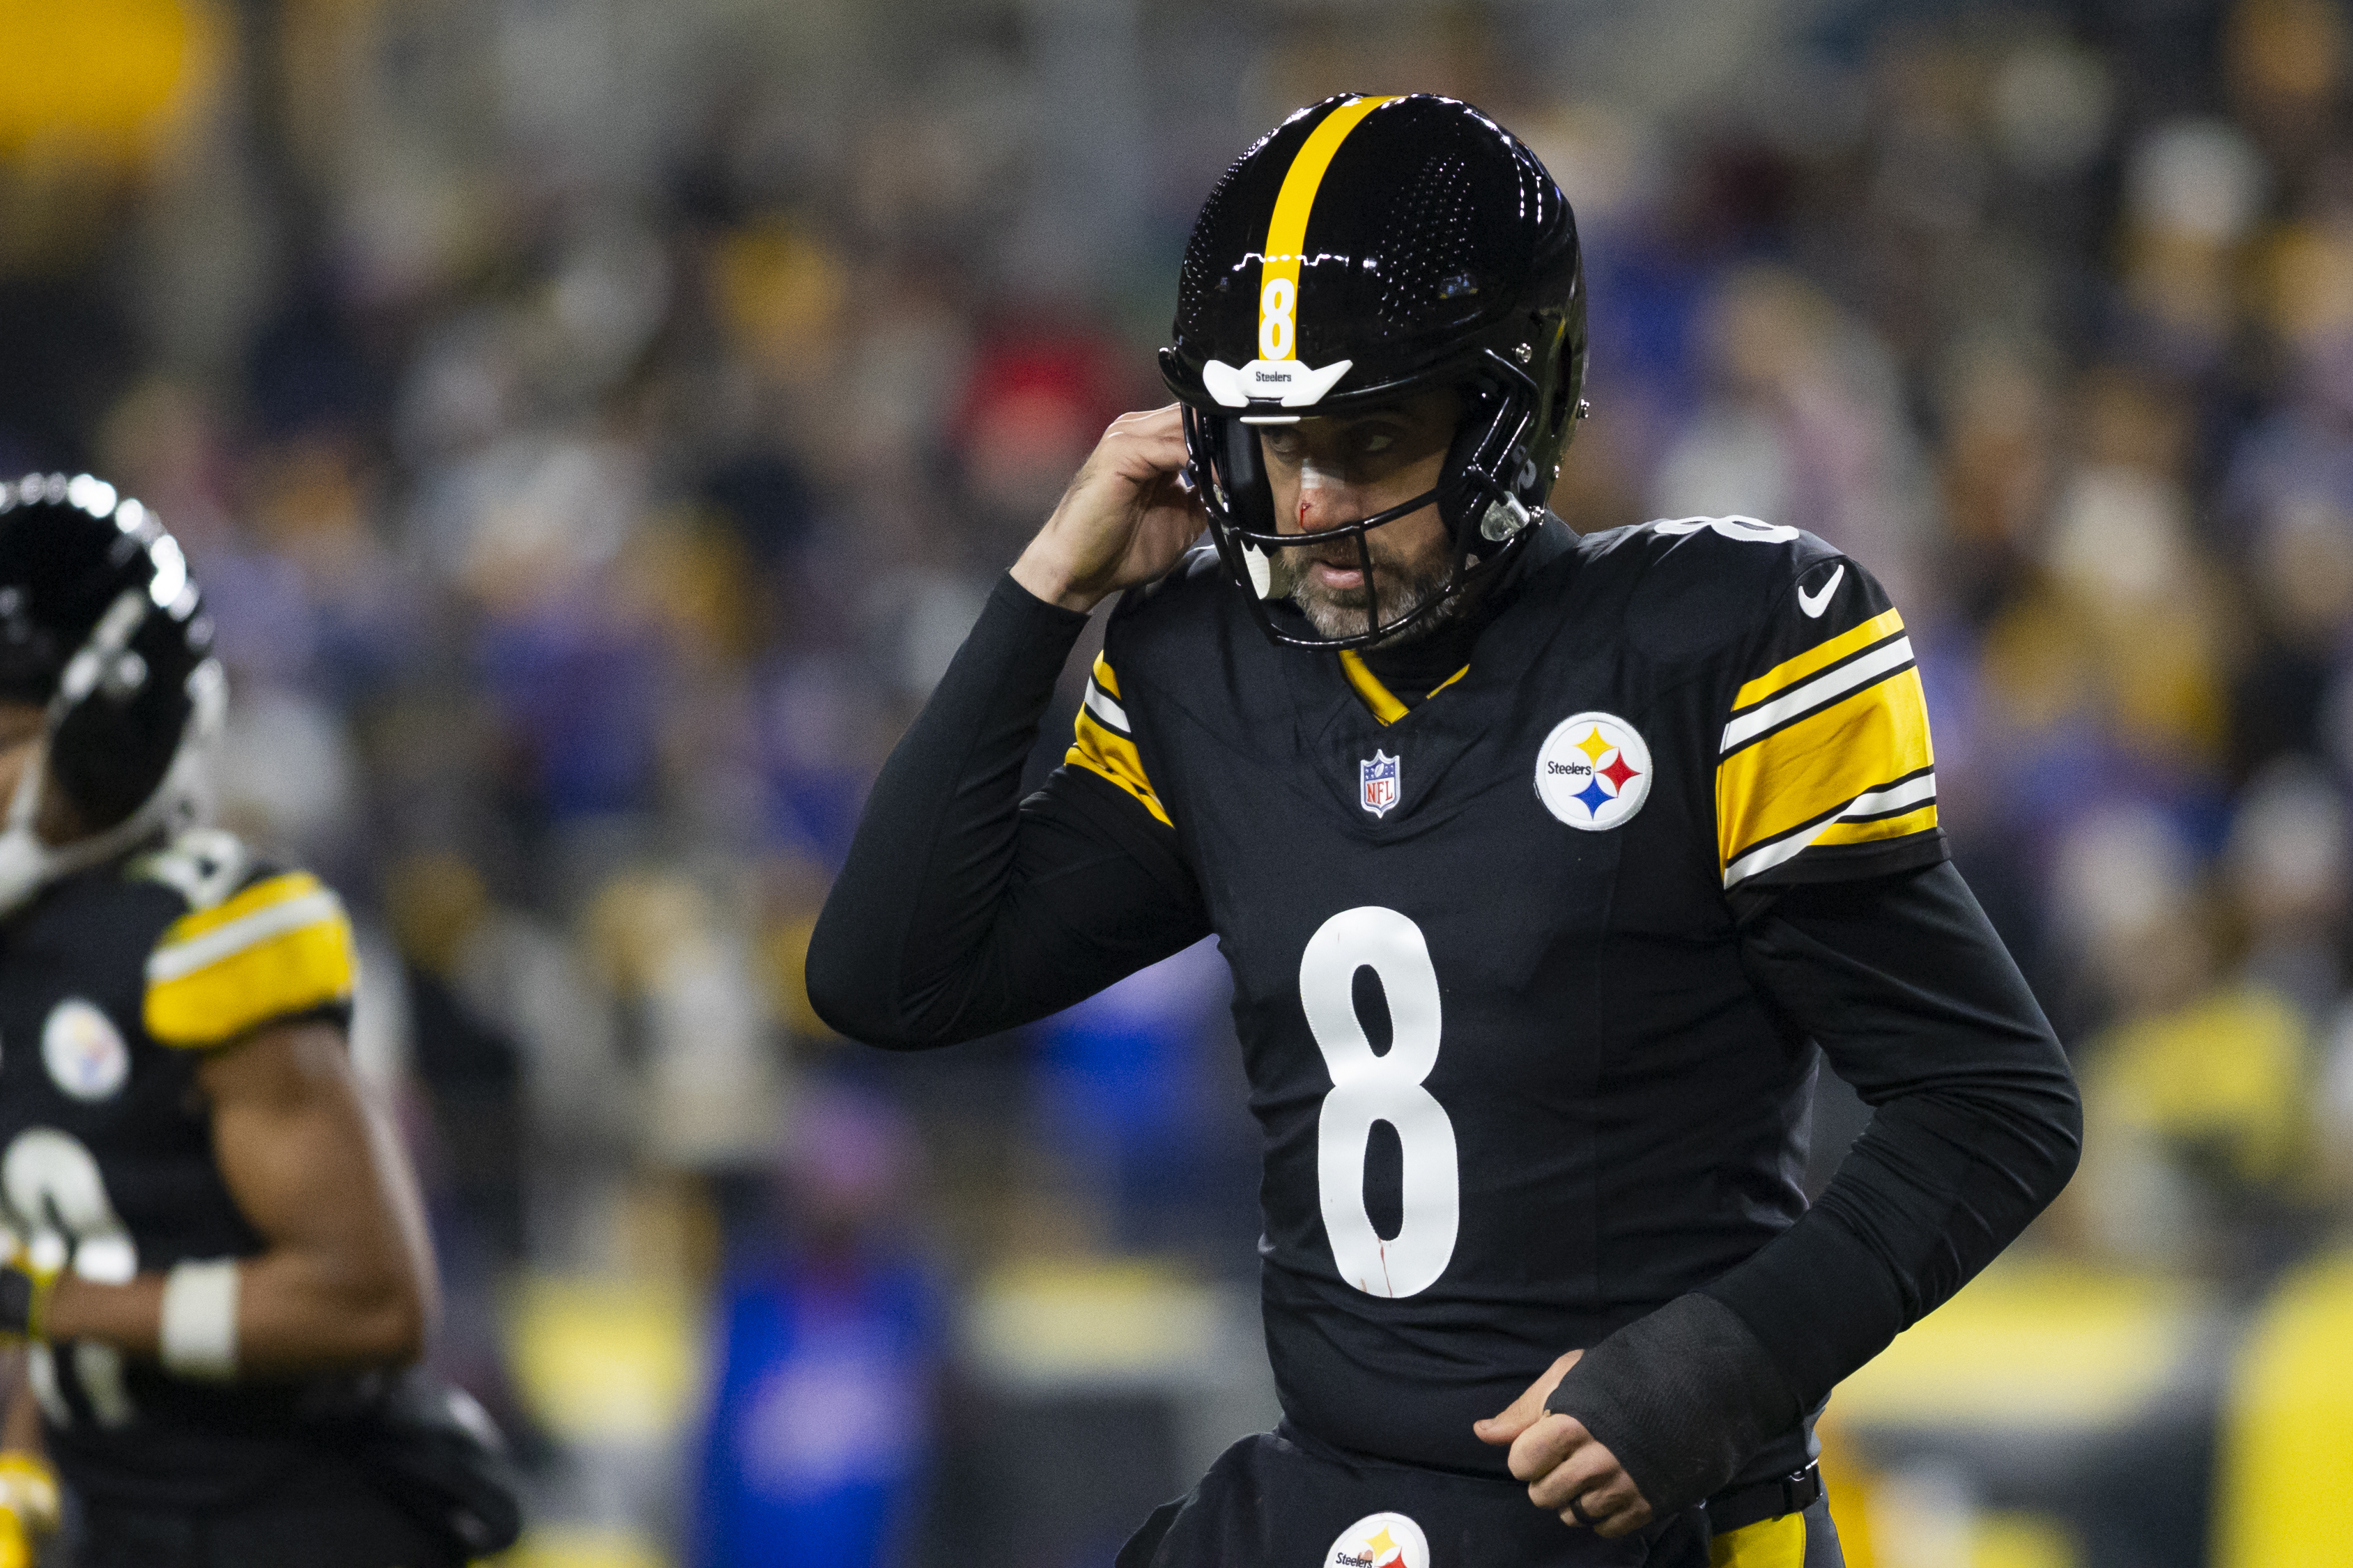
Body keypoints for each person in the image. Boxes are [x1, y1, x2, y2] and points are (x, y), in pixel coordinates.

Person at [808, 95, 2081, 1567]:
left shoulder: (1717, 644)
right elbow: (891, 976)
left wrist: (1719, 1367)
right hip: (1321, 1501)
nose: (1313, 504)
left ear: (1510, 409)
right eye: (1275, 441)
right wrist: (1047, 585)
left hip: (1633, 1520)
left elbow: (1993, 1103)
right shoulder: (1202, 662)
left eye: (1372, 437)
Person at [0, 474, 515, 1567]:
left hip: (288, 1521)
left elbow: (368, 1300)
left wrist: (62, 1307)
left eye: (6, 736)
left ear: (110, 728)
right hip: (123, 1518)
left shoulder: (205, 935)